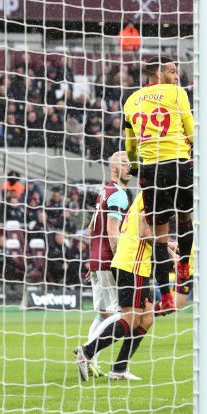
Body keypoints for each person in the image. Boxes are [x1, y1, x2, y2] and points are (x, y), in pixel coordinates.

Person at [122, 56, 194, 317]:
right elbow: (190, 127)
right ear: (158, 74)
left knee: (159, 238)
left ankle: (165, 297)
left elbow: (130, 145)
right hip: (179, 164)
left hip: (151, 171)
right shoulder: (177, 93)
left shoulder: (130, 101)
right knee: (186, 219)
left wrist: (133, 165)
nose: (177, 77)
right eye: (173, 72)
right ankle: (184, 266)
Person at [75, 192, 158, 382]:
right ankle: (87, 352)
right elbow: (145, 233)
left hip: (139, 264)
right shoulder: (149, 197)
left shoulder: (143, 197)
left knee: (146, 317)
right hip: (132, 264)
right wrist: (167, 247)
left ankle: (119, 367)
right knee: (128, 319)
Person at [83, 151, 132, 377]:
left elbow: (92, 228)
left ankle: (87, 359)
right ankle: (87, 353)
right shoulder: (119, 194)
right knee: (121, 314)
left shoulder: (104, 192)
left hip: (95, 259)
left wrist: (90, 258)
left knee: (103, 313)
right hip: (108, 260)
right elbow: (113, 231)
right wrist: (119, 260)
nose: (130, 167)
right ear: (114, 168)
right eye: (124, 163)